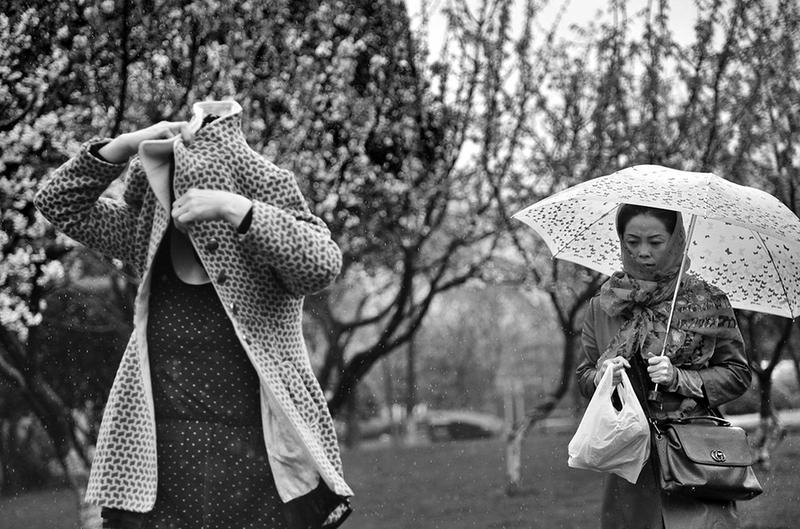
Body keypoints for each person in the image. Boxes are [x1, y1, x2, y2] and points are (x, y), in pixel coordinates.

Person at [35, 100, 353, 529]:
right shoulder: (147, 238)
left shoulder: (261, 240)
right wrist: (124, 145)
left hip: (259, 472)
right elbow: (58, 202)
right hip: (160, 478)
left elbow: (322, 264)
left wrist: (236, 210)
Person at [575, 203, 752, 529]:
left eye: (655, 242)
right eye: (632, 242)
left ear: (675, 240)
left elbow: (738, 374)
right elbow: (584, 375)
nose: (643, 252)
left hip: (694, 454)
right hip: (631, 459)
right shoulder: (604, 305)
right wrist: (601, 377)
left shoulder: (709, 302)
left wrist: (680, 378)